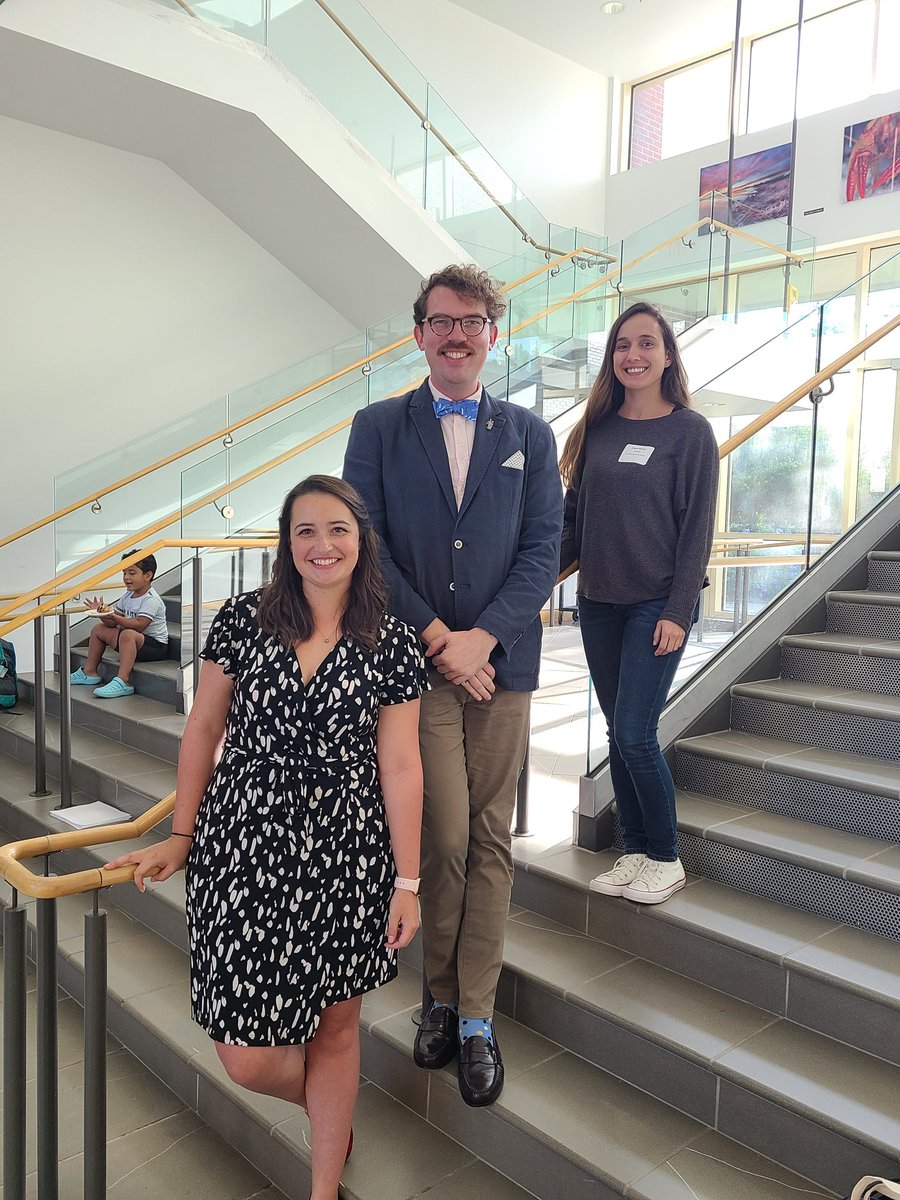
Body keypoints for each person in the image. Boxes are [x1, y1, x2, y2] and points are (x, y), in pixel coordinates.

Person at [105, 476, 426, 1200]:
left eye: (337, 529)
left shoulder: (392, 640)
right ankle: (332, 1120)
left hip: (349, 851)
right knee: (247, 1057)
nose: (322, 545)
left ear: (360, 540)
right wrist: (182, 833)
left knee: (339, 1025)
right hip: (243, 845)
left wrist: (407, 882)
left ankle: (322, 1183)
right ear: (286, 542)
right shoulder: (243, 620)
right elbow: (204, 729)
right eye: (305, 530)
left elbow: (402, 765)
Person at [343, 264, 562, 1108]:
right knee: (439, 839)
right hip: (418, 665)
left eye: (473, 321)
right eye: (443, 321)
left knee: (490, 838)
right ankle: (435, 991)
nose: (458, 334)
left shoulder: (531, 435)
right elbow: (369, 545)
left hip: (501, 667)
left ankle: (475, 1015)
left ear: (492, 335)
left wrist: (484, 637)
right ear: (420, 333)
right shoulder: (377, 426)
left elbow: (544, 546)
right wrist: (441, 638)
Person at [560, 301, 718, 904]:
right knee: (615, 731)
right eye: (623, 345)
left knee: (634, 731)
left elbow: (696, 527)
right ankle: (632, 848)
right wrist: (525, 583)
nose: (634, 355)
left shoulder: (690, 433)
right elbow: (574, 527)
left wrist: (679, 610)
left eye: (646, 344)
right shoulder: (596, 431)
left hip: (656, 604)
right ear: (612, 357)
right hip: (598, 603)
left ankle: (666, 855)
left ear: (668, 355)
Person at [70, 549, 169, 698]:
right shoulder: (128, 595)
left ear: (148, 576)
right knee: (99, 629)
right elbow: (112, 623)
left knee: (128, 634)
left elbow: (139, 625)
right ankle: (89, 672)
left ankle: (123, 681)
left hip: (155, 647)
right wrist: (101, 614)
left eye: (132, 573)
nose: (126, 577)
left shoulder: (151, 599)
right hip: (130, 641)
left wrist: (114, 617)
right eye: (124, 573)